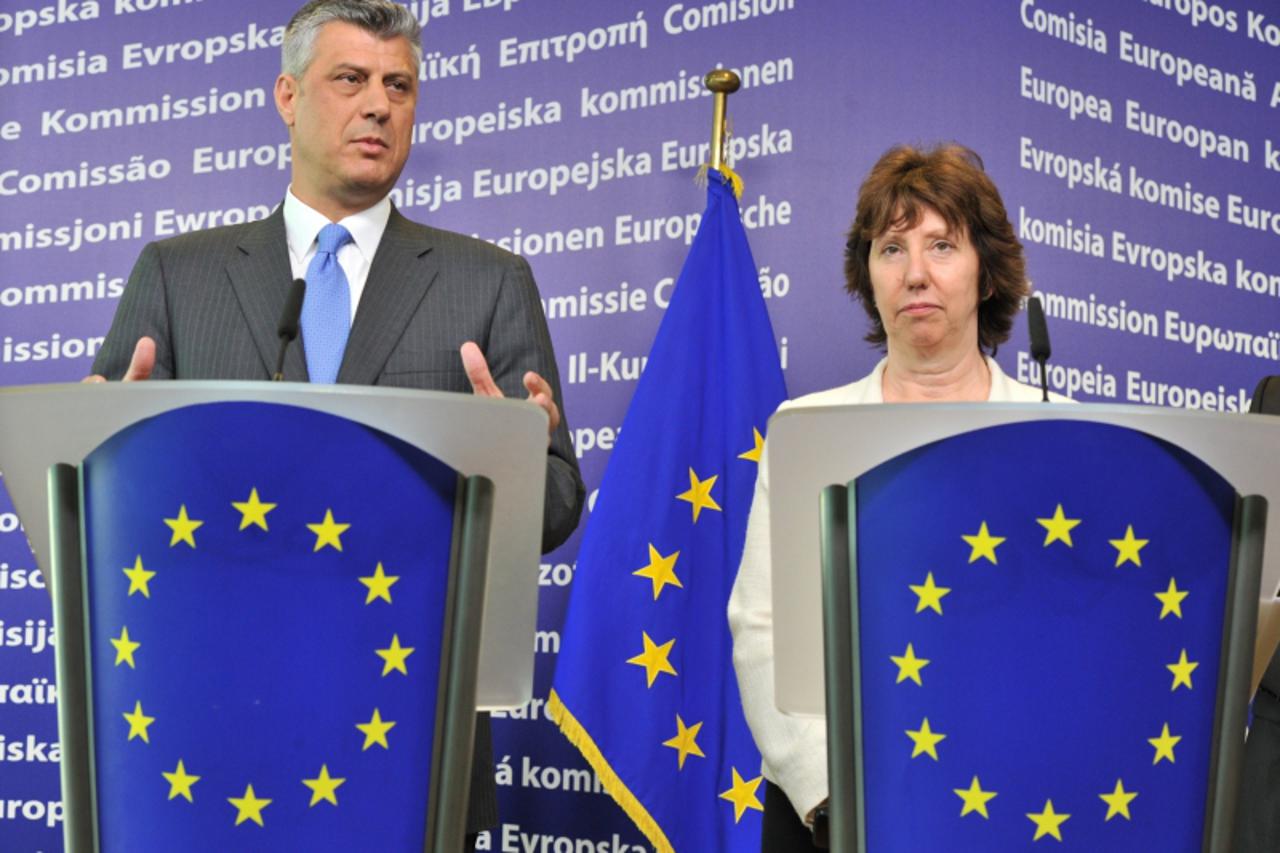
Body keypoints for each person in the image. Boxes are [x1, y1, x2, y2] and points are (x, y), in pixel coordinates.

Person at [88, 0, 585, 844]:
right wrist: (101, 450)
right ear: (287, 97)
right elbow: (105, 516)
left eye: (400, 85)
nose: (379, 105)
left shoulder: (488, 282)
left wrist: (516, 461)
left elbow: (557, 510)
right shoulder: (178, 276)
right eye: (350, 79)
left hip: (410, 724)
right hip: (214, 723)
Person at [727, 143, 1069, 851]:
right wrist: (832, 800)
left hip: (1016, 807)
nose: (916, 272)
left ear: (986, 274)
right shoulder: (806, 430)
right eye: (891, 248)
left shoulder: (1060, 431)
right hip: (834, 815)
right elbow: (761, 625)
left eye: (942, 244)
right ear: (868, 275)